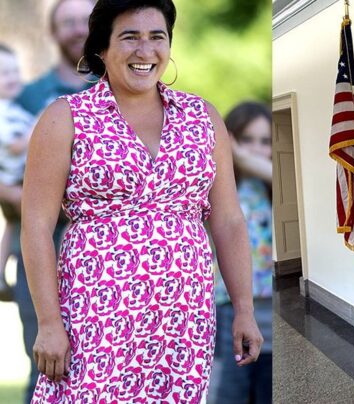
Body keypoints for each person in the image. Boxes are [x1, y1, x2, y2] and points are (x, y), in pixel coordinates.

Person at [20, 1, 262, 402]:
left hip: (182, 314)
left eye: (157, 37)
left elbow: (229, 220)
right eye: (129, 37)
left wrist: (244, 309)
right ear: (101, 47)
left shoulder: (202, 117)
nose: (145, 50)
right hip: (95, 310)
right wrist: (49, 322)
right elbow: (36, 225)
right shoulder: (65, 118)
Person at [1, 2, 95, 401]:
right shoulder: (28, 97)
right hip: (39, 249)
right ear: (54, 33)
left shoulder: (126, 88)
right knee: (44, 364)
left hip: (105, 259)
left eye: (84, 21)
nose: (76, 30)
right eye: (66, 22)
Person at [211, 101, 273, 404]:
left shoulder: (271, 184)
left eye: (265, 141)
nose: (256, 149)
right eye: (247, 140)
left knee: (265, 389)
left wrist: (242, 155)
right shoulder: (219, 186)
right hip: (230, 307)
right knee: (231, 391)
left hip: (270, 309)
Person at [0, 44, 33, 303]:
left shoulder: (12, 107)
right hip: (13, 181)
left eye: (14, 71)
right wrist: (37, 127)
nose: (12, 78)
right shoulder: (2, 114)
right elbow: (15, 145)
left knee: (12, 227)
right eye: (4, 73)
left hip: (16, 178)